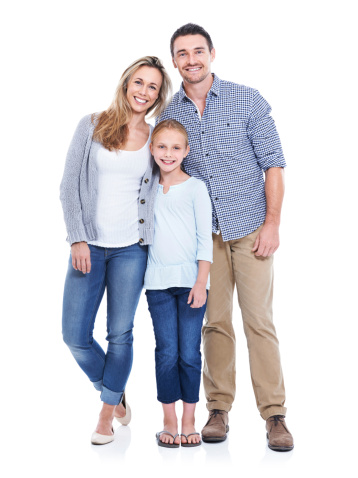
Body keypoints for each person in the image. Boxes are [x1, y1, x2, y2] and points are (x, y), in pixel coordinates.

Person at [156, 23, 294, 451]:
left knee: (259, 323)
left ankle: (275, 415)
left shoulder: (245, 98)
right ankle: (218, 410)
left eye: (198, 51)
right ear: (175, 60)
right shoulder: (169, 115)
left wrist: (272, 223)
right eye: (182, 53)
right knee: (214, 325)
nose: (191, 59)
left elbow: (273, 163)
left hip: (251, 228)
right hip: (205, 240)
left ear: (212, 53)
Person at [60, 56, 172, 445]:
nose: (143, 91)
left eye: (152, 86)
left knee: (120, 335)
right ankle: (116, 393)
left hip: (132, 250)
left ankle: (106, 416)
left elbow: (168, 184)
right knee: (74, 335)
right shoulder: (91, 125)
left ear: (159, 95)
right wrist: (77, 237)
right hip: (89, 245)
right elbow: (69, 185)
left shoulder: (157, 136)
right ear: (126, 84)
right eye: (138, 82)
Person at [144, 119, 213, 448]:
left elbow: (205, 241)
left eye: (175, 147)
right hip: (157, 284)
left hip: (191, 285)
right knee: (166, 352)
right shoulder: (146, 188)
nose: (168, 153)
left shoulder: (196, 188)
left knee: (189, 353)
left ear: (186, 151)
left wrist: (201, 282)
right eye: (161, 146)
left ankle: (189, 419)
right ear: (152, 149)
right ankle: (168, 419)